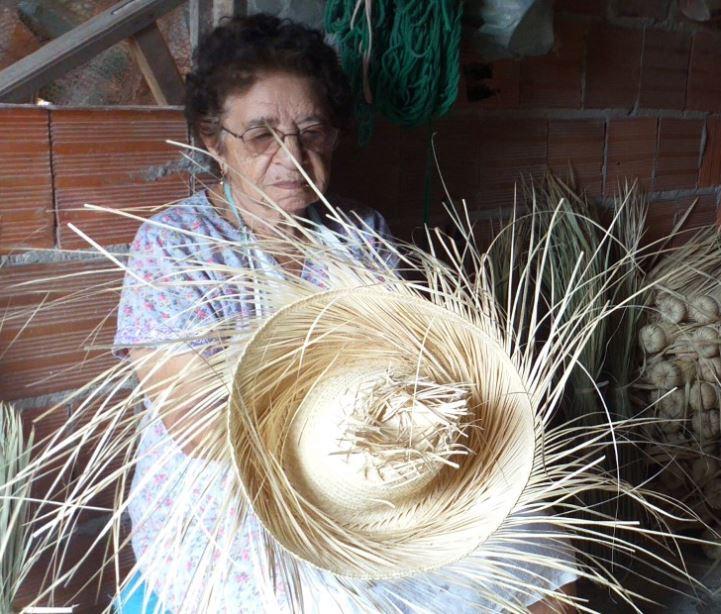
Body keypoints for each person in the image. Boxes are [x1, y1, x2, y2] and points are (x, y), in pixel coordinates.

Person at [113, 13, 576, 613]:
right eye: (260, 135)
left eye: (313, 130)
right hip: (241, 496)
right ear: (212, 140)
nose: (292, 156)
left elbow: (406, 366)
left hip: (376, 463)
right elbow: (201, 430)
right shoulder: (175, 246)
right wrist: (344, 441)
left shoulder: (359, 235)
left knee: (540, 566)